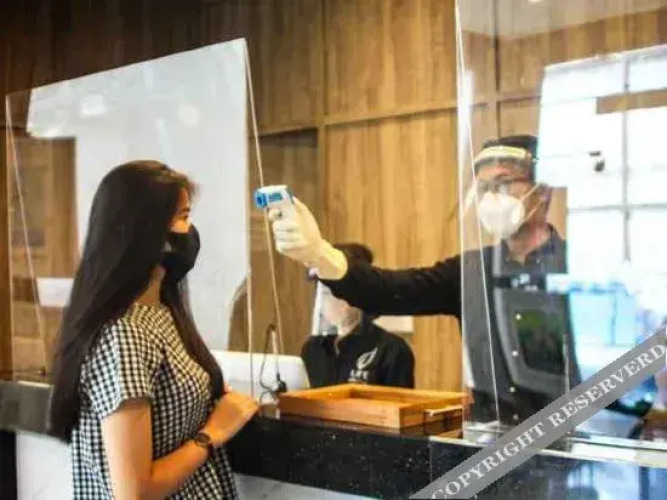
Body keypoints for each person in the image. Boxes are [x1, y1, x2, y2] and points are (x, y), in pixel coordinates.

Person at [270, 135, 581, 424]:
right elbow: (392, 290)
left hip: (571, 437)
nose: (490, 198)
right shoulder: (471, 270)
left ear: (542, 191)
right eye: (484, 188)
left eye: (503, 184)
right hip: (492, 438)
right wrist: (321, 255)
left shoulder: (581, 267)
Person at [49, 161, 258, 499]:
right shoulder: (125, 334)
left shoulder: (161, 312)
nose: (191, 231)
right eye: (183, 217)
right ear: (146, 231)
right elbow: (134, 492)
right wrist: (213, 432)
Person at [301, 243, 415, 389]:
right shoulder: (312, 348)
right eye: (325, 293)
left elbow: (399, 402)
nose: (332, 300)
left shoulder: (391, 351)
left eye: (338, 291)